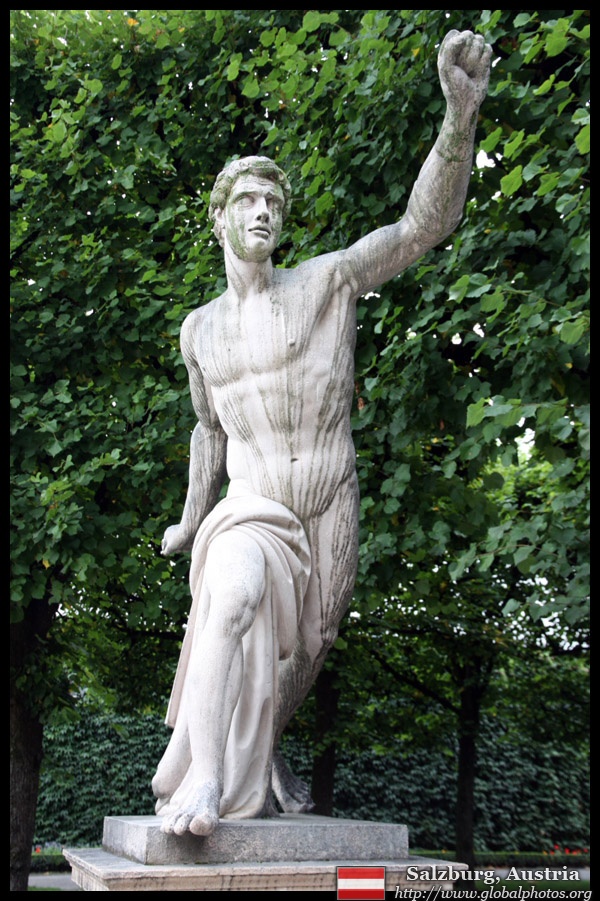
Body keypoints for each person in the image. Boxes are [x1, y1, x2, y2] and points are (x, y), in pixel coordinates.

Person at [152, 29, 492, 837]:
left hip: (330, 503)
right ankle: (206, 776)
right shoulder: (198, 331)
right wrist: (192, 519)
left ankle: (257, 751)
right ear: (219, 219)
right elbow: (208, 430)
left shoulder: (328, 281)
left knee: (308, 647)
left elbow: (420, 228)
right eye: (247, 201)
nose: (263, 212)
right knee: (231, 595)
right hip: (252, 507)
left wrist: (460, 118)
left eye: (273, 203)